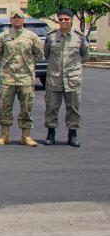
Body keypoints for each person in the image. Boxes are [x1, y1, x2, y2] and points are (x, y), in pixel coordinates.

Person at [0, 9, 44, 147]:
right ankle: (4, 135)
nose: (16, 20)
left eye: (19, 17)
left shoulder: (32, 36)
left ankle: (26, 136)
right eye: (14, 18)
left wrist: (28, 64)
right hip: (7, 77)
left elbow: (38, 54)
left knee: (26, 106)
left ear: (23, 20)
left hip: (26, 77)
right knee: (4, 106)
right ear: (10, 20)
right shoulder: (2, 37)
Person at [43, 8, 88, 147]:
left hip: (72, 78)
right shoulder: (51, 37)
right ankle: (51, 134)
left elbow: (85, 56)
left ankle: (72, 135)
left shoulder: (79, 37)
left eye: (66, 19)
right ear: (58, 20)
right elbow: (46, 54)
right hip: (54, 78)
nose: (63, 21)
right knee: (51, 107)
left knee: (73, 108)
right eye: (61, 19)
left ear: (71, 20)